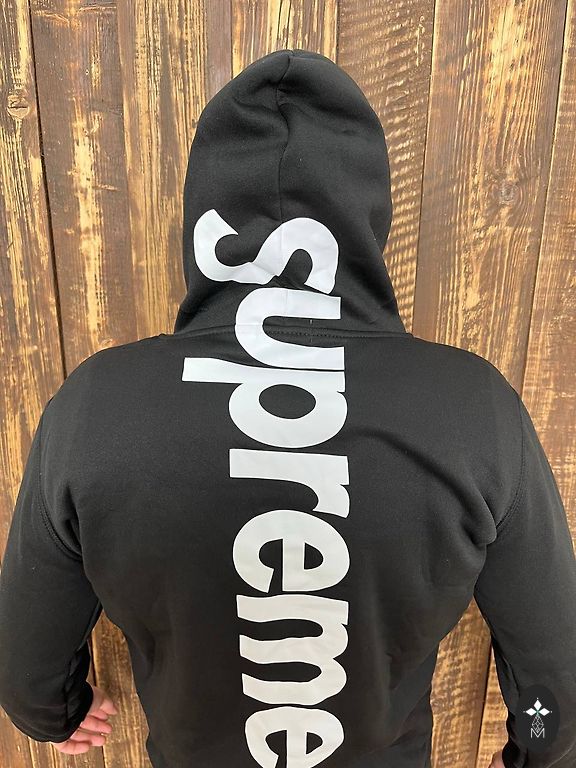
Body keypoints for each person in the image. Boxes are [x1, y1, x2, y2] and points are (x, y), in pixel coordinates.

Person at [0, 48, 574, 768]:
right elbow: (556, 665)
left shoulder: (95, 407)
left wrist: (50, 712)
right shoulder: (473, 408)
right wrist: (538, 751)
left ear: (205, 217)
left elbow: (24, 660)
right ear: (366, 214)